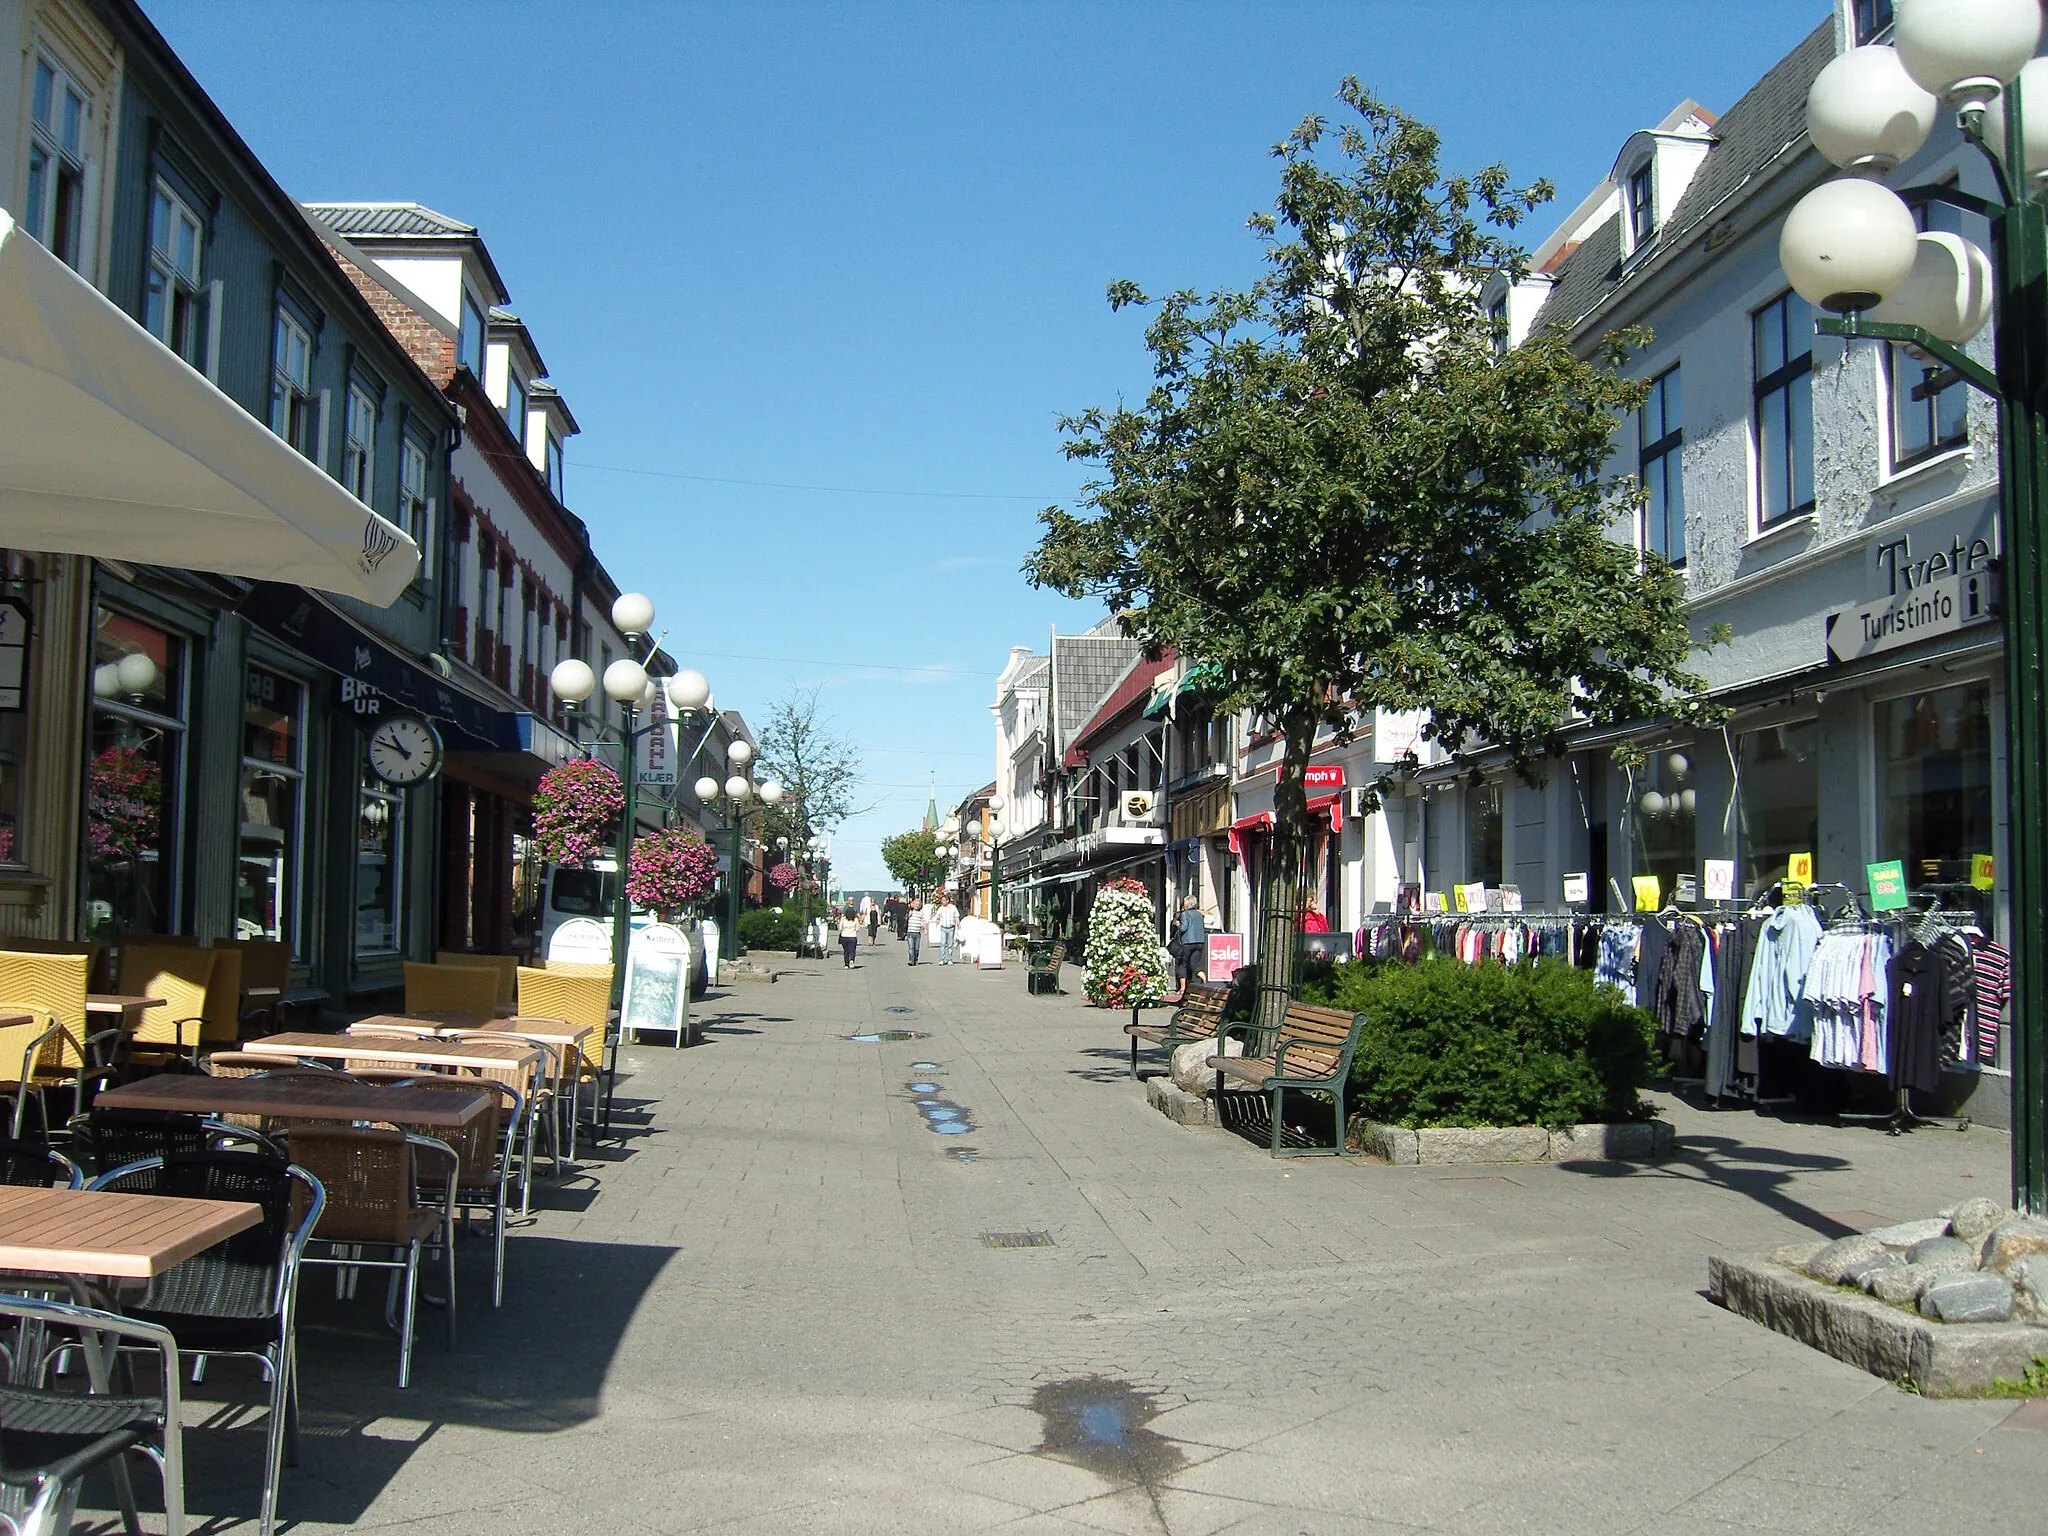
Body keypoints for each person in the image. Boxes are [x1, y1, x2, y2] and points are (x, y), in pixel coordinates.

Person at [1170, 895, 1209, 992]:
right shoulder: (1199, 914)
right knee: (1195, 964)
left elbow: (1183, 928)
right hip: (1200, 942)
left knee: (1182, 965)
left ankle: (1182, 989)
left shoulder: (1185, 914)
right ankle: (1204, 979)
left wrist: (1177, 924)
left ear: (1187, 903)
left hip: (1188, 942)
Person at [936, 895, 960, 965]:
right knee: (943, 944)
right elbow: (938, 917)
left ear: (948, 901)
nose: (943, 901)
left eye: (944, 900)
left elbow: (956, 916)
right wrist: (936, 925)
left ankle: (949, 959)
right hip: (943, 927)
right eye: (942, 900)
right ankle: (942, 959)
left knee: (950, 944)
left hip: (951, 928)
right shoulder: (940, 908)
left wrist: (959, 925)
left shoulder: (953, 908)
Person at [837, 904, 861, 968]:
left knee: (846, 951)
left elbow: (840, 928)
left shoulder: (843, 919)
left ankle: (846, 964)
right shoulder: (855, 919)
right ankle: (852, 960)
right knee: (852, 950)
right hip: (853, 936)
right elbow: (858, 928)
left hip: (844, 936)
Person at [906, 898, 924, 965]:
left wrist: (925, 928)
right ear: (913, 905)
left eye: (918, 904)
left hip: (917, 932)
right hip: (910, 932)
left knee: (916, 948)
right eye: (915, 904)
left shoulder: (921, 913)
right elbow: (906, 918)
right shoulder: (910, 911)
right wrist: (909, 914)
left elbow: (923, 921)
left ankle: (916, 959)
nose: (917, 906)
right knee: (911, 947)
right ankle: (911, 960)